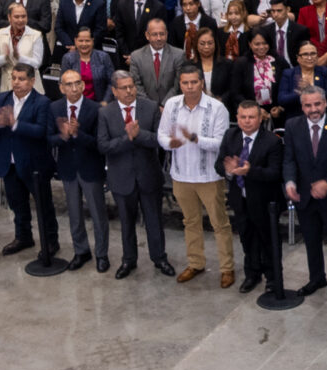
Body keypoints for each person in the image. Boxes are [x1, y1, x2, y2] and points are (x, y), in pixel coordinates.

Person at [160, 64, 233, 284]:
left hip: (209, 177)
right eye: (185, 83)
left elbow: (222, 144)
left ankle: (227, 268)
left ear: (202, 83)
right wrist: (169, 143)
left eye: (194, 82)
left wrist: (195, 139)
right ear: (180, 84)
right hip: (181, 175)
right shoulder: (172, 105)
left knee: (219, 223)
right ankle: (195, 263)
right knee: (190, 222)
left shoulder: (217, 108)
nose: (190, 87)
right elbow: (161, 134)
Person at [98, 71, 172, 278]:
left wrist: (139, 135)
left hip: (148, 175)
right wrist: (127, 138)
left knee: (154, 221)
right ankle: (128, 260)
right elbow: (103, 146)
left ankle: (160, 258)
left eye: (131, 86)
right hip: (121, 178)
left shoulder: (150, 108)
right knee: (126, 222)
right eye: (124, 87)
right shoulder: (106, 113)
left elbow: (160, 140)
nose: (129, 91)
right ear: (114, 91)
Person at [281, 86, 327, 298]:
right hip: (304, 197)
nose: (313, 109)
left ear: (325, 103)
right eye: (308, 105)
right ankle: (317, 278)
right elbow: (289, 160)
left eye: (317, 104)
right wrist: (290, 183)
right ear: (302, 106)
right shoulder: (292, 125)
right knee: (311, 241)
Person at [0, 63, 59, 262]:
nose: (16, 83)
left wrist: (15, 124)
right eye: (13, 78)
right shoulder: (2, 98)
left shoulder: (42, 102)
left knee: (44, 206)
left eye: (21, 79)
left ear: (32, 80)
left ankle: (51, 241)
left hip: (34, 164)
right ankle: (23, 237)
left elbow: (41, 132)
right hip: (8, 161)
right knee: (17, 204)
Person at [218, 100, 285, 297]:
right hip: (241, 200)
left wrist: (250, 171)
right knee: (247, 239)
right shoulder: (230, 136)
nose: (247, 121)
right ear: (237, 118)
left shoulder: (272, 141)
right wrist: (229, 171)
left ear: (260, 118)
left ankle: (273, 279)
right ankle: (252, 274)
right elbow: (218, 165)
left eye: (251, 117)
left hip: (265, 202)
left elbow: (275, 172)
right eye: (243, 117)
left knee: (268, 241)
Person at [50, 70, 108, 273]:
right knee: (74, 214)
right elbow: (48, 139)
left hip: (90, 168)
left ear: (83, 86)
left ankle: (102, 254)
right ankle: (81, 251)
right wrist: (64, 137)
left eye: (77, 84)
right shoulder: (55, 107)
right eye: (69, 84)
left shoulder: (95, 109)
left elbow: (99, 144)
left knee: (98, 214)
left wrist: (78, 134)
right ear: (61, 88)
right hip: (68, 169)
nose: (73, 88)